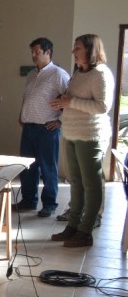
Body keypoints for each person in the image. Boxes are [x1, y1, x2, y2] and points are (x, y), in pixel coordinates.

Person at [49, 34, 114, 248]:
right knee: (75, 182)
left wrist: (71, 101)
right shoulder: (78, 73)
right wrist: (62, 102)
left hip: (90, 135)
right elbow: (72, 100)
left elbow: (102, 106)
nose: (73, 51)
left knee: (91, 184)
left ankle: (85, 231)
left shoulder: (101, 74)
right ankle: (72, 226)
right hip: (71, 133)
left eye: (77, 47)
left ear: (90, 50)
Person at [15, 37, 70, 217]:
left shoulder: (59, 74)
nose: (33, 55)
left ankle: (49, 204)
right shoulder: (31, 74)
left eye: (37, 52)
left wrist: (61, 121)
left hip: (47, 129)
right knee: (28, 167)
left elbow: (69, 99)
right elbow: (26, 97)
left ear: (48, 52)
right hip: (29, 128)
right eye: (32, 52)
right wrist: (22, 114)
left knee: (48, 168)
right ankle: (28, 200)